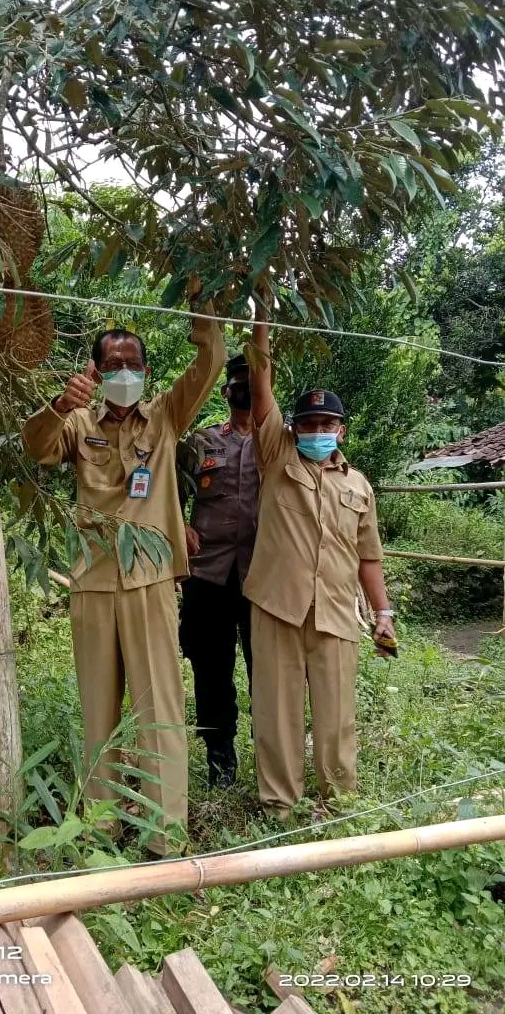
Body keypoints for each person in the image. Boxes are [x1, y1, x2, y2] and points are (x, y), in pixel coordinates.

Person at [22, 306, 226, 856]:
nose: (124, 373)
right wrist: (59, 405)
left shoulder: (164, 417)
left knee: (160, 708)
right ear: (94, 370)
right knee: (98, 711)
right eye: (113, 364)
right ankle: (99, 827)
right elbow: (37, 448)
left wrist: (202, 310)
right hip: (91, 582)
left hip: (150, 580)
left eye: (133, 364)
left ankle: (166, 833)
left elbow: (210, 365)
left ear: (146, 372)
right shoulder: (79, 423)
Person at [245, 307, 396, 817]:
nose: (317, 430)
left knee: (336, 715)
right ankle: (279, 804)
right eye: (307, 423)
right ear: (293, 427)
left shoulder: (359, 486)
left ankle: (338, 804)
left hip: (334, 611)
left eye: (327, 423)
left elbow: (367, 556)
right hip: (276, 607)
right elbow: (261, 385)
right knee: (276, 711)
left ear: (341, 430)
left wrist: (383, 613)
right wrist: (262, 316)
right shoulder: (276, 454)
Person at [177, 354, 259, 788]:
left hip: (262, 579)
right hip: (208, 577)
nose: (244, 390)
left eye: (252, 382)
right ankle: (220, 765)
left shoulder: (280, 442)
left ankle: (271, 759)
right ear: (226, 392)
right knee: (211, 674)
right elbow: (166, 489)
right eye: (237, 383)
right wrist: (180, 523)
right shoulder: (201, 442)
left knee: (266, 673)